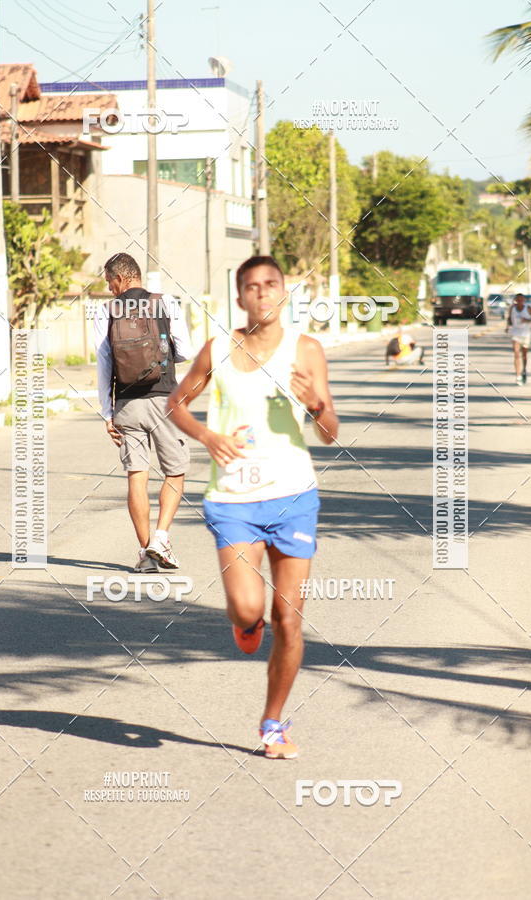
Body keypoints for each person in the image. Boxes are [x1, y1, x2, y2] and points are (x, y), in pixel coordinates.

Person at [167, 255, 339, 759]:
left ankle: (272, 724)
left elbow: (330, 435)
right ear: (239, 298)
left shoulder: (306, 351)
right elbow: (176, 403)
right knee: (247, 608)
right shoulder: (217, 350)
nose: (262, 293)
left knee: (290, 617)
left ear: (283, 293)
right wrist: (207, 435)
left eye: (270, 285)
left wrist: (316, 407)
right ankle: (246, 624)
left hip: (294, 497)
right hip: (233, 500)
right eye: (251, 287)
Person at [94, 252, 192, 572]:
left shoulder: (107, 311)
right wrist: (159, 362)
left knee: (137, 475)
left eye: (110, 282)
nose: (110, 289)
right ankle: (160, 538)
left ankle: (145, 553)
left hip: (126, 405)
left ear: (121, 279)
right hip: (165, 401)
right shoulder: (166, 303)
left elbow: (104, 364)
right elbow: (186, 350)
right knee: (175, 472)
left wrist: (107, 414)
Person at [506, 293, 531, 384]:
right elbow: (509, 319)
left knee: (524, 355)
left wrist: (527, 320)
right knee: (516, 353)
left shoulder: (528, 308)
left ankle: (524, 370)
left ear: (524, 300)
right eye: (518, 300)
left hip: (525, 335)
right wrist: (508, 326)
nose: (520, 301)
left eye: (521, 300)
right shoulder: (512, 308)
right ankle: (518, 376)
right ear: (515, 300)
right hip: (515, 334)